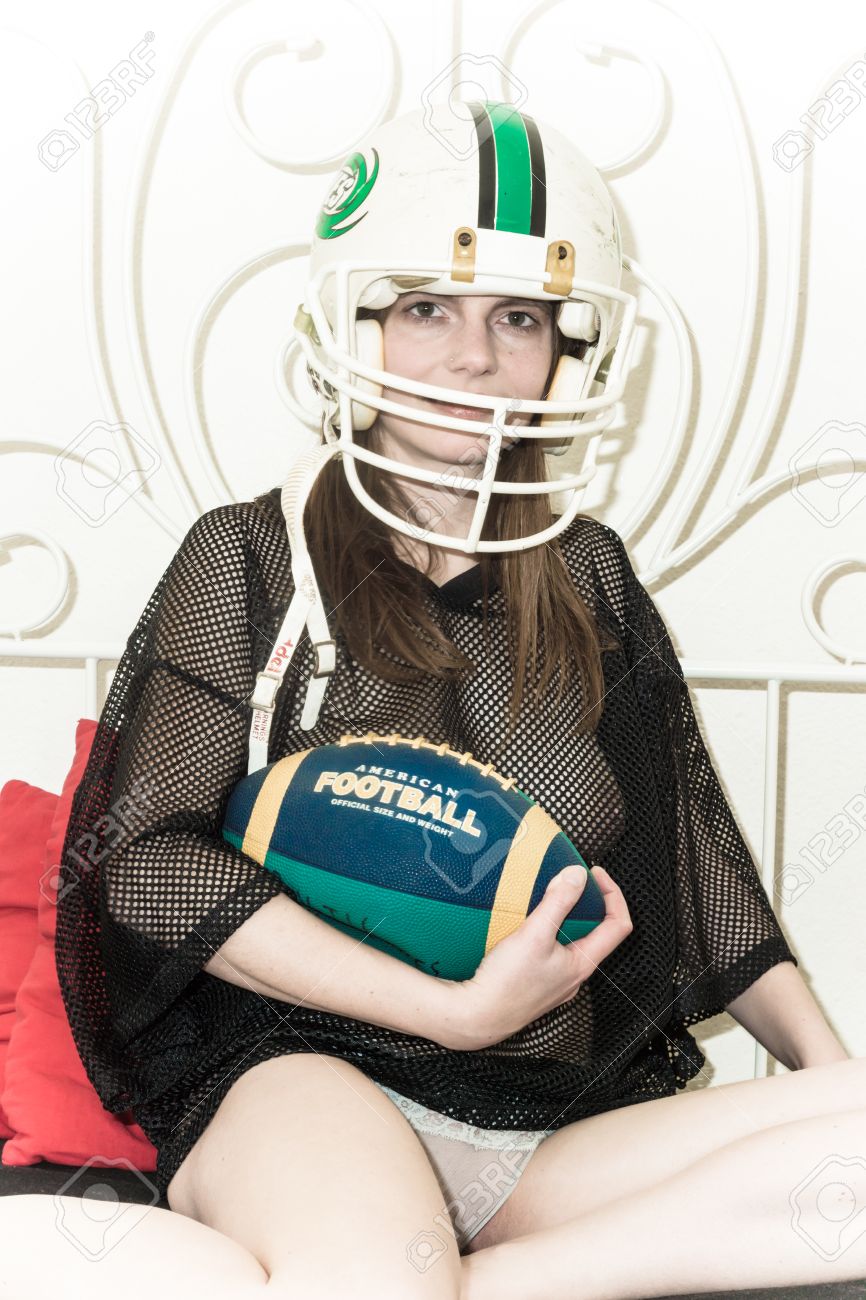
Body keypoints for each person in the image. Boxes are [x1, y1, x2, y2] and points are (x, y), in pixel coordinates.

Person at [3, 101, 861, 1300]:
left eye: (516, 316)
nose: (472, 356)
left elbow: (704, 887)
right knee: (379, 1278)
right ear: (354, 324)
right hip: (308, 1086)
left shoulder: (591, 575)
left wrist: (831, 1095)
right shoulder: (251, 556)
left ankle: (506, 1281)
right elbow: (143, 862)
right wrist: (444, 1010)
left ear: (567, 346)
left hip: (546, 1126)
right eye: (425, 309)